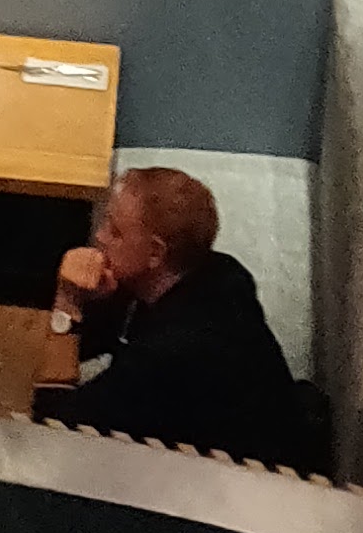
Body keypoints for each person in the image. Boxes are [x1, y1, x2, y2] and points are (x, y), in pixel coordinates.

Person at [32, 167, 312, 460]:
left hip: (253, 478)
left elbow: (52, 426)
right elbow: (94, 342)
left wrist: (67, 304)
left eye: (115, 231)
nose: (99, 236)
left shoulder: (171, 353)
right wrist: (98, 299)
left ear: (155, 252)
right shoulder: (216, 271)